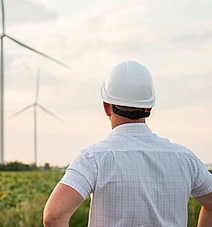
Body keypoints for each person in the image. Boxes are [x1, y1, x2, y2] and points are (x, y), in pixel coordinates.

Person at [43, 61, 212, 227]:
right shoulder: (185, 158)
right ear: (149, 108)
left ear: (106, 107)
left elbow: (53, 216)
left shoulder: (93, 159)